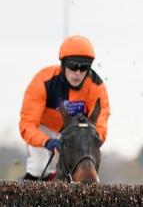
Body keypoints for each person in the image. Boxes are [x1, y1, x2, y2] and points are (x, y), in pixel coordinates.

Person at [18, 35, 110, 180]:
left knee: (87, 166)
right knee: (38, 166)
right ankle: (27, 198)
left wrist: (91, 139)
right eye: (73, 67)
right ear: (63, 65)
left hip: (75, 133)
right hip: (44, 129)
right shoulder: (42, 82)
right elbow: (27, 124)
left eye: (84, 68)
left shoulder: (96, 87)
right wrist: (46, 141)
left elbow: (100, 126)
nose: (78, 73)